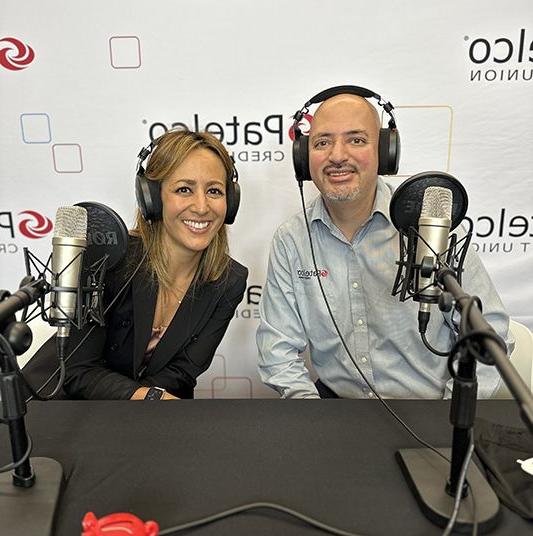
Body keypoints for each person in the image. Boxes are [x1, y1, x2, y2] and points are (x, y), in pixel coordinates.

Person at [256, 88, 512, 399]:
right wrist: (314, 420)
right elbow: (277, 353)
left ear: (385, 152)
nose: (337, 155)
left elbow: (490, 335)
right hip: (336, 409)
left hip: (430, 409)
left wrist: (448, 418)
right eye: (323, 142)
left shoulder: (429, 227)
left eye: (356, 140)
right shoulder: (292, 239)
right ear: (303, 155)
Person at [63, 129, 248, 400]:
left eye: (214, 191)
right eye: (184, 189)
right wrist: (149, 398)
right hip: (72, 412)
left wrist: (150, 405)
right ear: (151, 197)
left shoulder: (229, 279)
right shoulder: (110, 259)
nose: (201, 206)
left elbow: (183, 373)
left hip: (154, 417)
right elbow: (79, 370)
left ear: (230, 201)